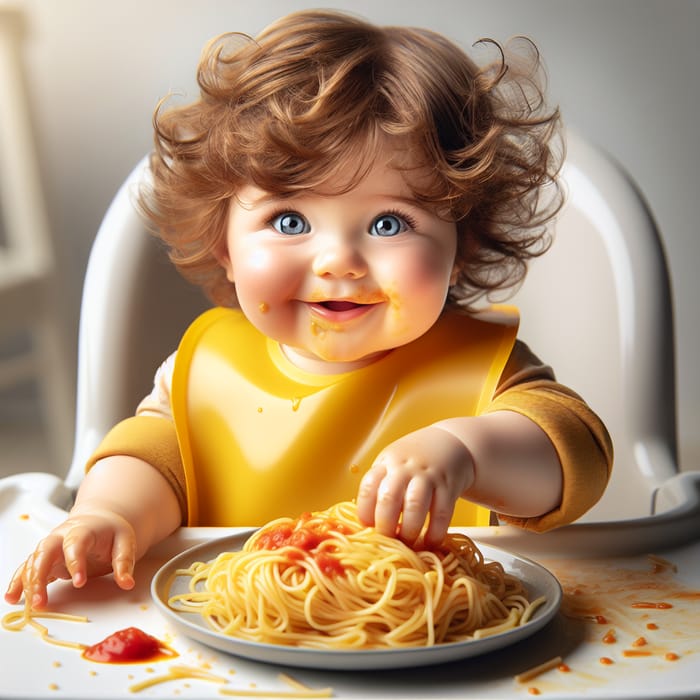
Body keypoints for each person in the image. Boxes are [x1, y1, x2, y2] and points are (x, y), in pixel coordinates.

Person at [6, 9, 612, 610]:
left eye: (389, 222)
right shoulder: (212, 371)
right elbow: (157, 456)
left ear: (461, 248)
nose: (338, 261)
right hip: (229, 638)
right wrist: (109, 513)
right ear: (226, 246)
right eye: (289, 220)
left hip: (435, 640)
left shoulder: (479, 372)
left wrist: (466, 450)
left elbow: (575, 455)